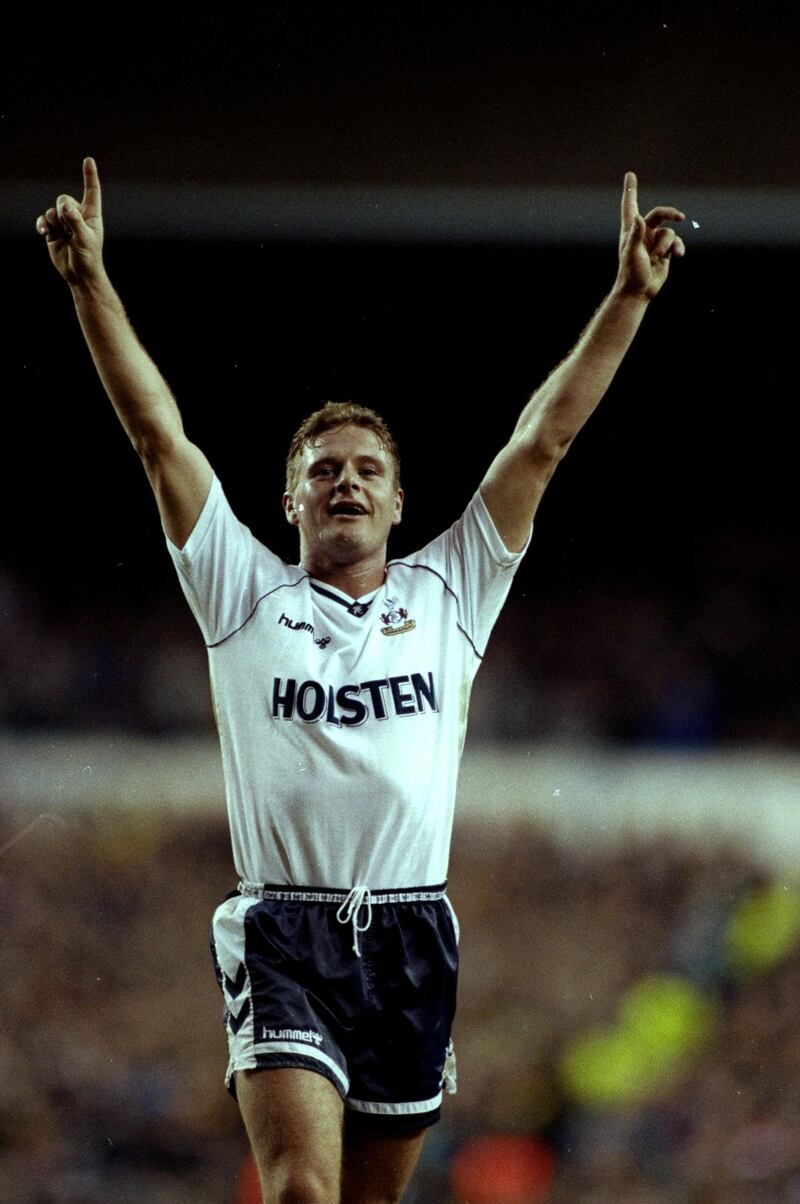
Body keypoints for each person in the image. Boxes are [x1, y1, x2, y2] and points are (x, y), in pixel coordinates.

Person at [37, 159, 685, 1204]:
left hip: (412, 933)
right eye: (323, 468)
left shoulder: (451, 592)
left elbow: (544, 438)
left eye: (367, 469)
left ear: (396, 504)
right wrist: (89, 286)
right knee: (300, 1189)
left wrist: (625, 298)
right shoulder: (240, 590)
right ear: (289, 502)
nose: (346, 479)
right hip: (285, 927)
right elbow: (159, 437)